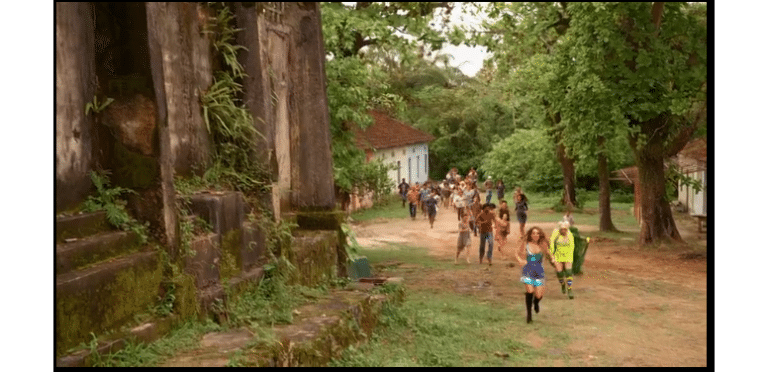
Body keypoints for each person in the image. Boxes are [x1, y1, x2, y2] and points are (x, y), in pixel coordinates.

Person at [516, 226, 556, 323]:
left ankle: (536, 302)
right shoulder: (526, 244)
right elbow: (517, 253)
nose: (535, 235)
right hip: (528, 270)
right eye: (533, 233)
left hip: (539, 271)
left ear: (540, 235)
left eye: (537, 233)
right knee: (529, 291)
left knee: (538, 295)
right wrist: (520, 260)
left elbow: (549, 253)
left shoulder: (542, 245)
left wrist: (553, 259)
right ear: (530, 235)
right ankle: (529, 315)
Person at [550, 221, 576, 299]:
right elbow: (551, 244)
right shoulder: (555, 234)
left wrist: (570, 257)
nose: (563, 231)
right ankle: (562, 284)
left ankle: (570, 289)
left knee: (568, 273)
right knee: (560, 274)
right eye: (562, 229)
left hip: (568, 256)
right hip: (558, 256)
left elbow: (572, 246)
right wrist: (552, 256)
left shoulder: (569, 235)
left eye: (565, 229)